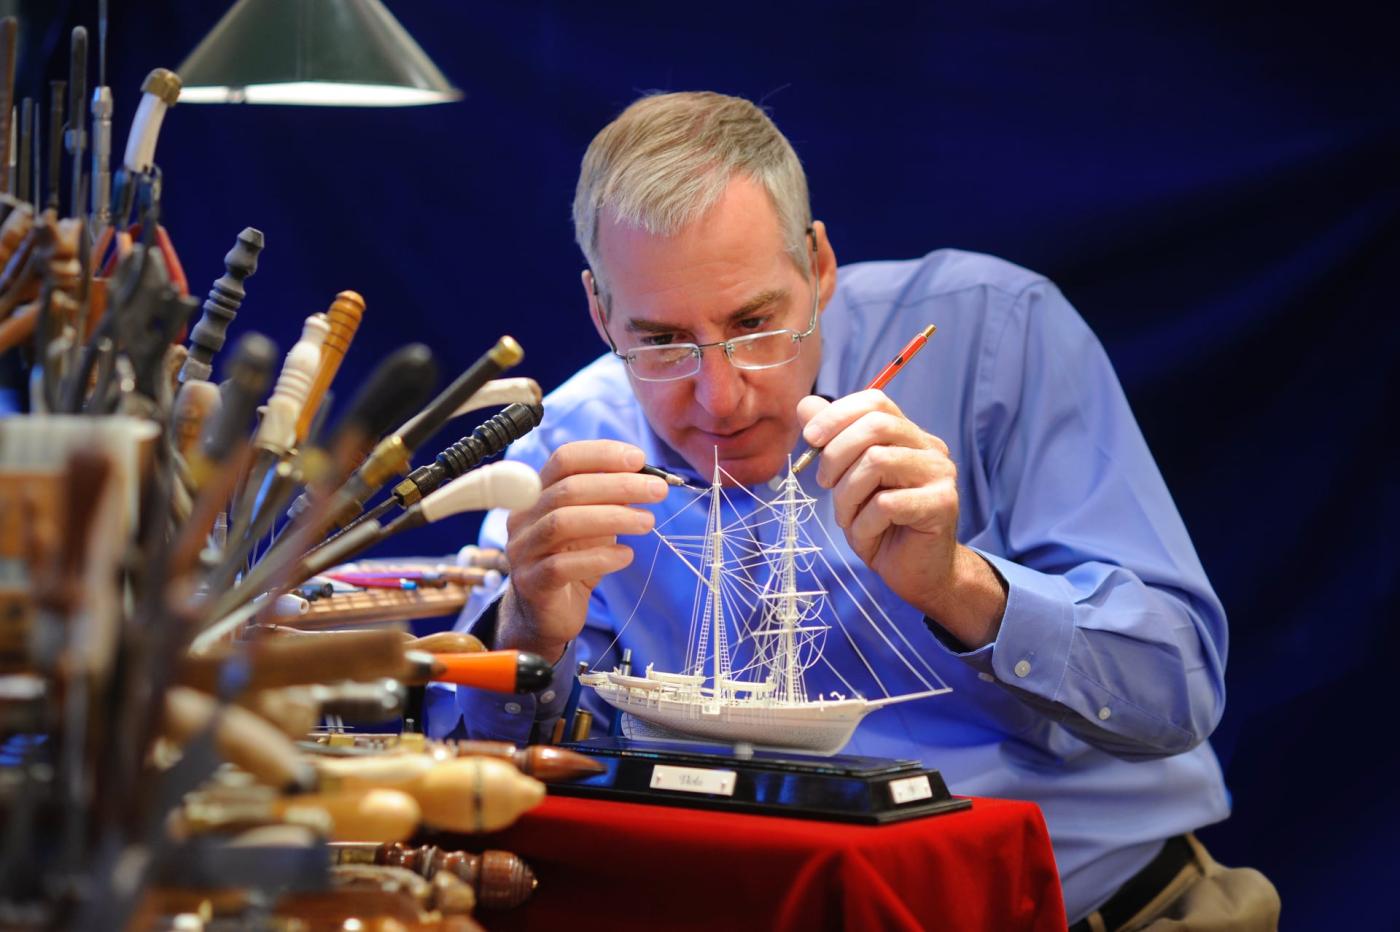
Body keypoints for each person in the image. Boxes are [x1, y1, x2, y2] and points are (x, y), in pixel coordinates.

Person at [427, 91, 1279, 930]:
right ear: (600, 313)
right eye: (660, 341)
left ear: (819, 267)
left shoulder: (995, 335)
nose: (720, 398)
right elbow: (454, 784)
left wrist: (960, 587)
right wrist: (525, 640)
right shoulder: (567, 446)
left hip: (1092, 911)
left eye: (756, 322)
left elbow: (1178, 694)